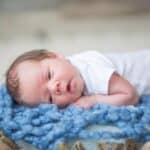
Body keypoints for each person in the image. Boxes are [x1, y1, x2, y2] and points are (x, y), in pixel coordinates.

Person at [6, 49, 146, 108]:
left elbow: (131, 96)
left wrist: (95, 100)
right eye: (50, 98)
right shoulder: (69, 68)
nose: (54, 87)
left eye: (49, 75)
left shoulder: (92, 72)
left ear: (56, 56)